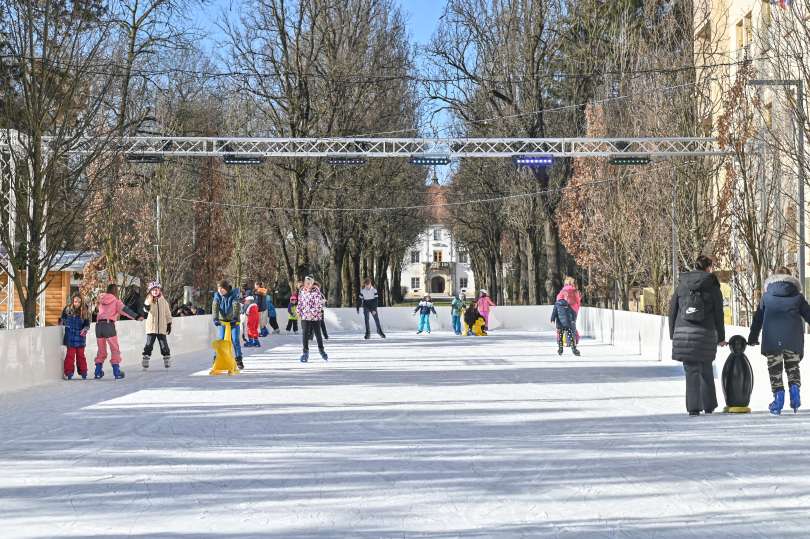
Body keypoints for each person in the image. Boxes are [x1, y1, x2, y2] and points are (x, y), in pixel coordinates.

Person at [669, 255, 727, 416]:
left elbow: (672, 310)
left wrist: (673, 333)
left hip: (683, 333)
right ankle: (709, 405)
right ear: (708, 267)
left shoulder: (682, 285)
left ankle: (693, 407)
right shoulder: (713, 287)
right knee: (706, 368)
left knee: (691, 371)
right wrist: (721, 337)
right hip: (706, 334)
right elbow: (718, 314)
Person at [747, 266, 810, 415]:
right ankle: (795, 394)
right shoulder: (798, 297)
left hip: (772, 340)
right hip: (793, 339)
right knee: (792, 367)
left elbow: (758, 319)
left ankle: (778, 399)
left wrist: (752, 337)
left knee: (775, 370)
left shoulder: (766, 297)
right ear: (792, 279)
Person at [94, 283, 140, 380]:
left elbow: (97, 312)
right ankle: (116, 372)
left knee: (101, 350)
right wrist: (137, 316)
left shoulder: (101, 300)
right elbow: (126, 310)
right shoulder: (116, 301)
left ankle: (98, 372)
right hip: (108, 325)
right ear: (116, 291)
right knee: (115, 349)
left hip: (98, 326)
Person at [212, 280, 244, 370]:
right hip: (222, 321)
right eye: (218, 288)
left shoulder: (233, 296)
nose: (220, 290)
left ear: (226, 288)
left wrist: (235, 318)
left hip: (234, 321)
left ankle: (239, 360)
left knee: (235, 340)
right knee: (220, 339)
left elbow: (236, 307)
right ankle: (216, 358)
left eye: (222, 288)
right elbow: (215, 307)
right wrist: (215, 318)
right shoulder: (217, 296)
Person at [59, 294, 91, 380]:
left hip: (80, 337)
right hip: (70, 337)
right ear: (73, 301)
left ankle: (83, 371)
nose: (77, 303)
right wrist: (62, 323)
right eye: (76, 301)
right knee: (70, 355)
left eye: (79, 302)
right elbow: (62, 320)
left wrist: (85, 329)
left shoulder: (84, 310)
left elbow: (87, 324)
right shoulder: (67, 309)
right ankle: (69, 372)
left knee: (81, 355)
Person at [142, 281, 173, 369]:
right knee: (149, 344)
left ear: (159, 290)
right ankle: (146, 358)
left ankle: (167, 358)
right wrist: (146, 307)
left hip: (162, 327)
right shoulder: (149, 299)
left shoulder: (164, 301)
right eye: (153, 290)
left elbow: (167, 313)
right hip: (151, 327)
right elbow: (145, 308)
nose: (155, 291)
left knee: (164, 345)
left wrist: (169, 323)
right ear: (150, 291)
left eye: (157, 290)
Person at [298, 276, 327, 362]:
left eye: (309, 283)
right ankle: (305, 352)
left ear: (312, 283)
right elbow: (300, 302)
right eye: (306, 282)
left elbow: (318, 304)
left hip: (315, 317)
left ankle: (321, 350)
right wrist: (298, 310)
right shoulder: (302, 291)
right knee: (305, 334)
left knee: (318, 334)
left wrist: (313, 312)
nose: (307, 284)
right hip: (305, 316)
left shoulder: (316, 292)